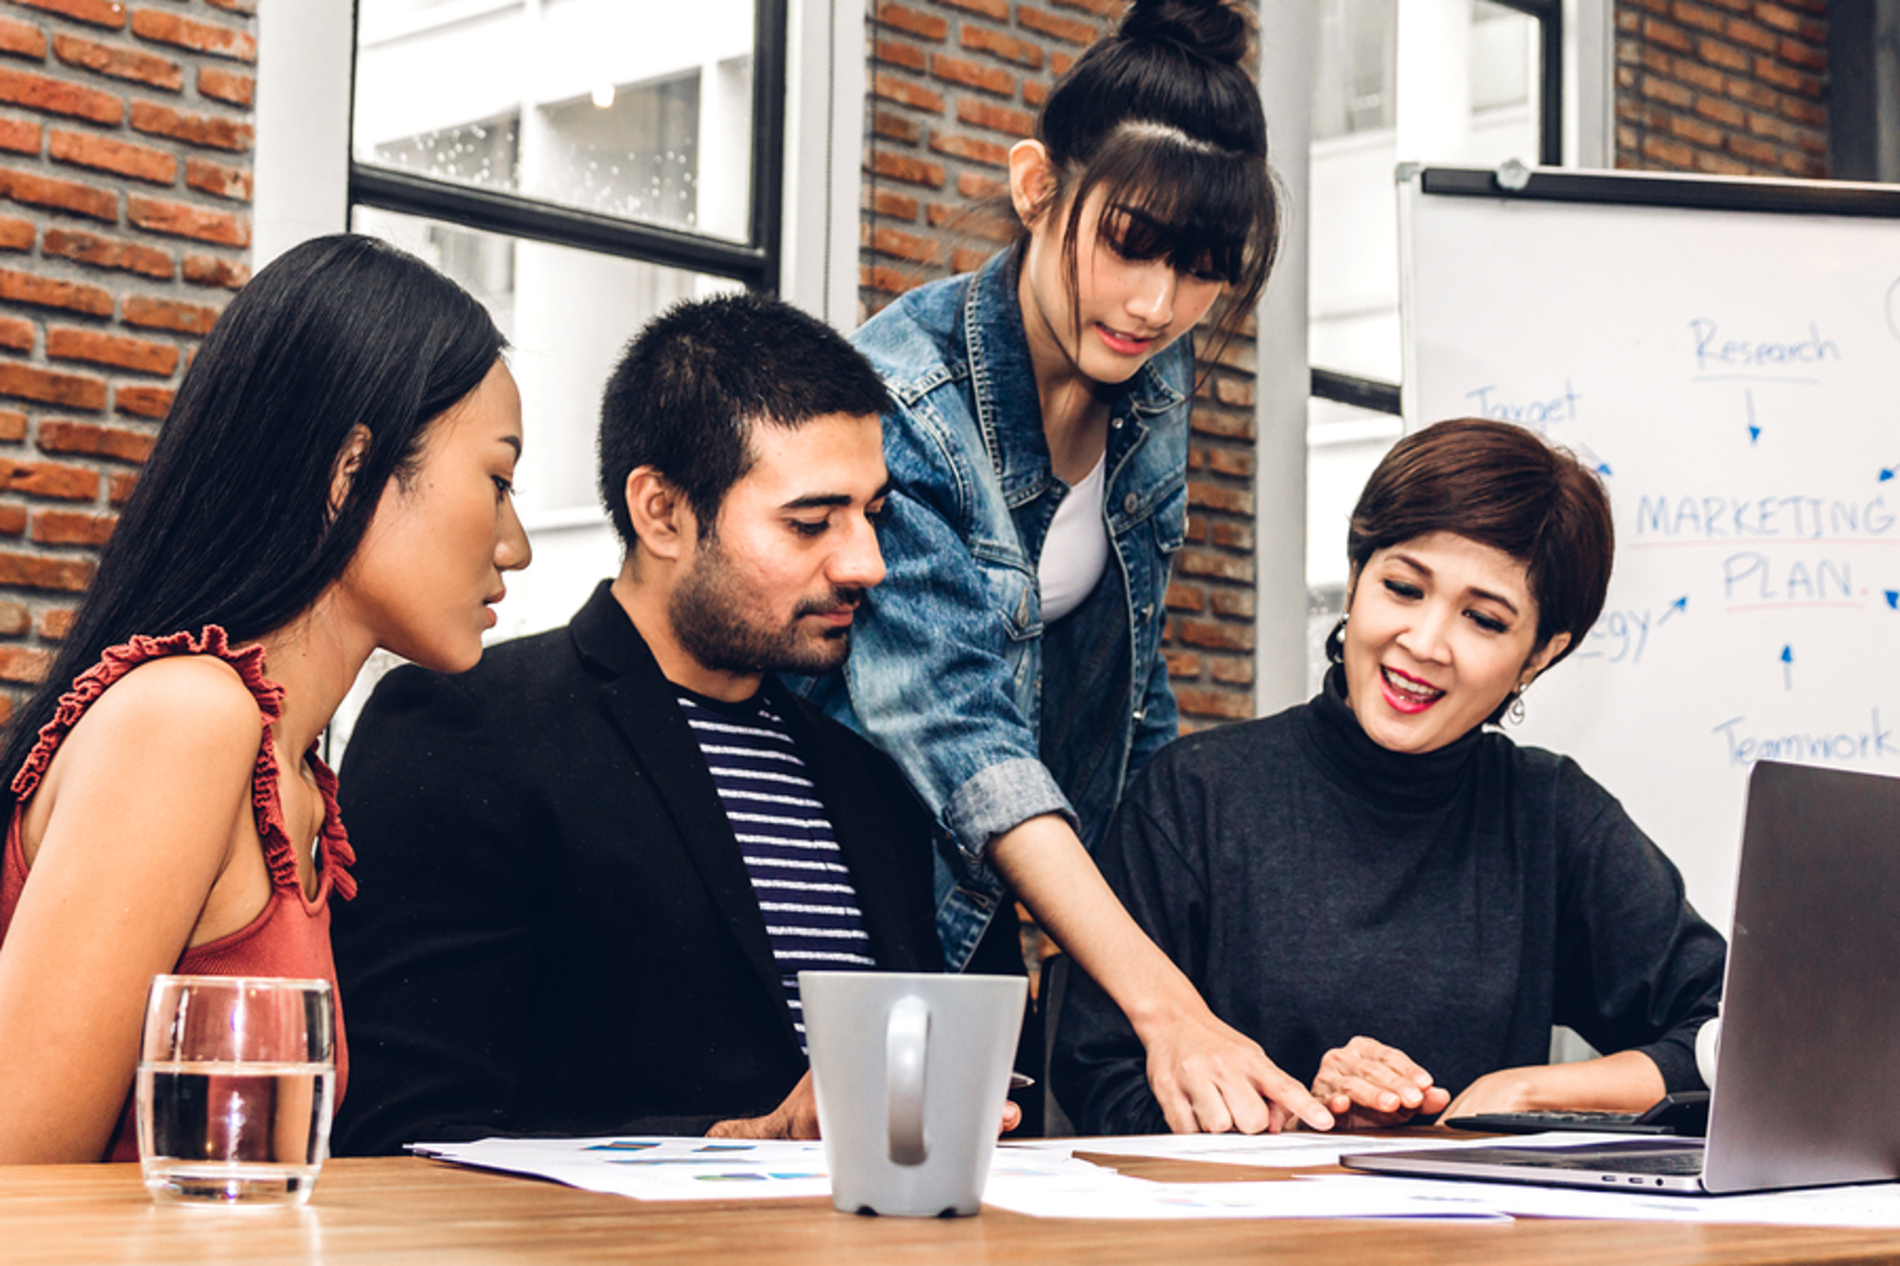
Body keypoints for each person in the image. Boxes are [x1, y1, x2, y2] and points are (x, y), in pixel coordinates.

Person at [793, 0, 1329, 1133]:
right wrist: (1162, 1002)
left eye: (1200, 270)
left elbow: (1132, 698)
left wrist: (1199, 940)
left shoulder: (1148, 381)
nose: (1156, 305)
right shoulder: (906, 400)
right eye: (1131, 242)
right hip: (847, 899)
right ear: (1036, 186)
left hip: (1006, 895)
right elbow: (961, 734)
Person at [328, 293, 969, 1155]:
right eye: (811, 522)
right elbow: (399, 1134)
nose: (867, 564)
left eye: (873, 514)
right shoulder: (464, 729)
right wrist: (740, 1142)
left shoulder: (868, 781)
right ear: (661, 513)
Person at [0, 234, 530, 1163]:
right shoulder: (188, 719)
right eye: (497, 481)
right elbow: (18, 1180)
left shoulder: (294, 771)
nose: (515, 544)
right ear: (351, 472)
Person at [1052, 418, 1728, 1134]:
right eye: (1403, 588)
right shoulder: (1197, 795)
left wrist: (1529, 1093)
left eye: (1485, 620)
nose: (1425, 644)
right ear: (1354, 580)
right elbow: (1097, 1071)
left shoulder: (1551, 817)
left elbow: (1734, 1035)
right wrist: (1302, 1126)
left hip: (1478, 1240)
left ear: (1539, 657)